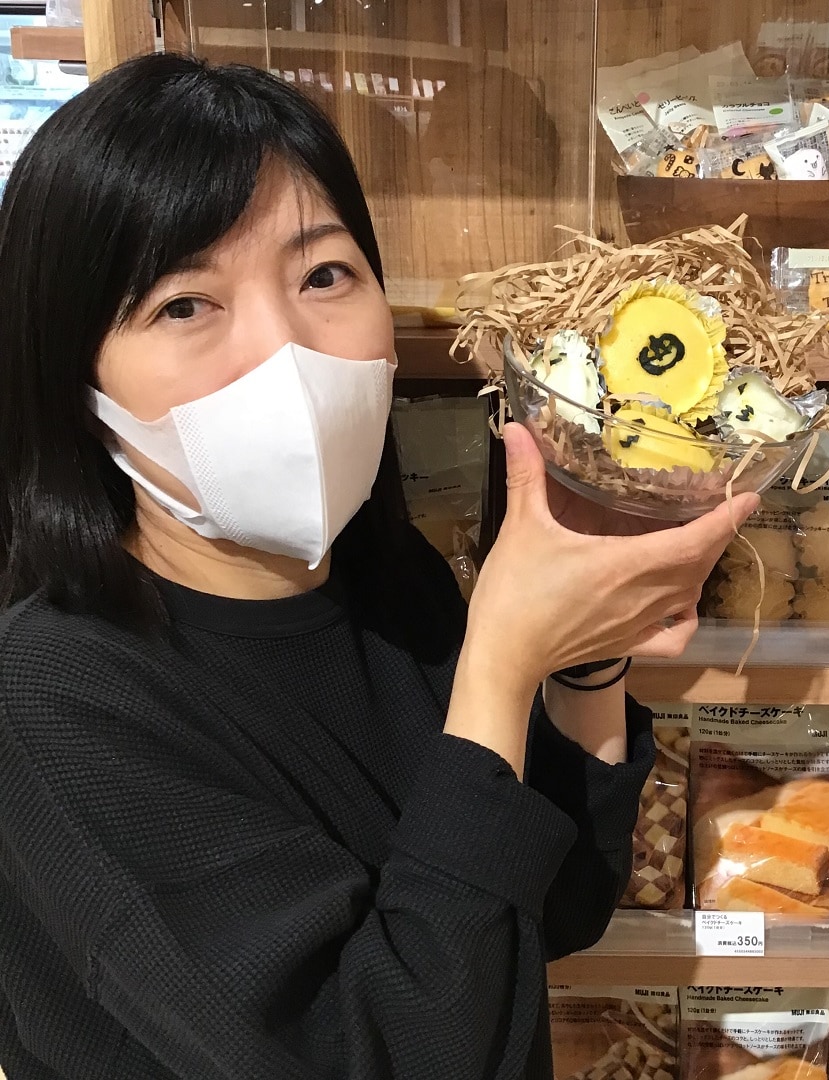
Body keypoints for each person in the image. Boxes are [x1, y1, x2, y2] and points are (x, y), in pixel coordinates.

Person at [0, 54, 757, 1079]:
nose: (285, 351)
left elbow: (554, 910)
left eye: (323, 276)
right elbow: (385, 1053)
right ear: (70, 373)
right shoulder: (52, 698)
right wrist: (498, 671)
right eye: (185, 304)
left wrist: (585, 659)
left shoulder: (390, 583)